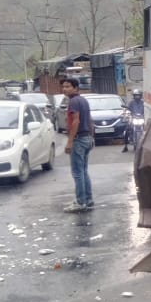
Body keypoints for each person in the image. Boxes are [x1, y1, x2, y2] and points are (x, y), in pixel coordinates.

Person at [61, 77, 94, 212]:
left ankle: (80, 202)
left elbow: (76, 121)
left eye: (68, 86)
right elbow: (90, 120)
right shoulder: (84, 100)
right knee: (84, 171)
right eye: (63, 86)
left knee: (77, 173)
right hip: (87, 138)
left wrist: (69, 141)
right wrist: (92, 137)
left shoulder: (74, 102)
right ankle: (88, 199)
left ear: (75, 88)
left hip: (79, 140)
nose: (65, 89)